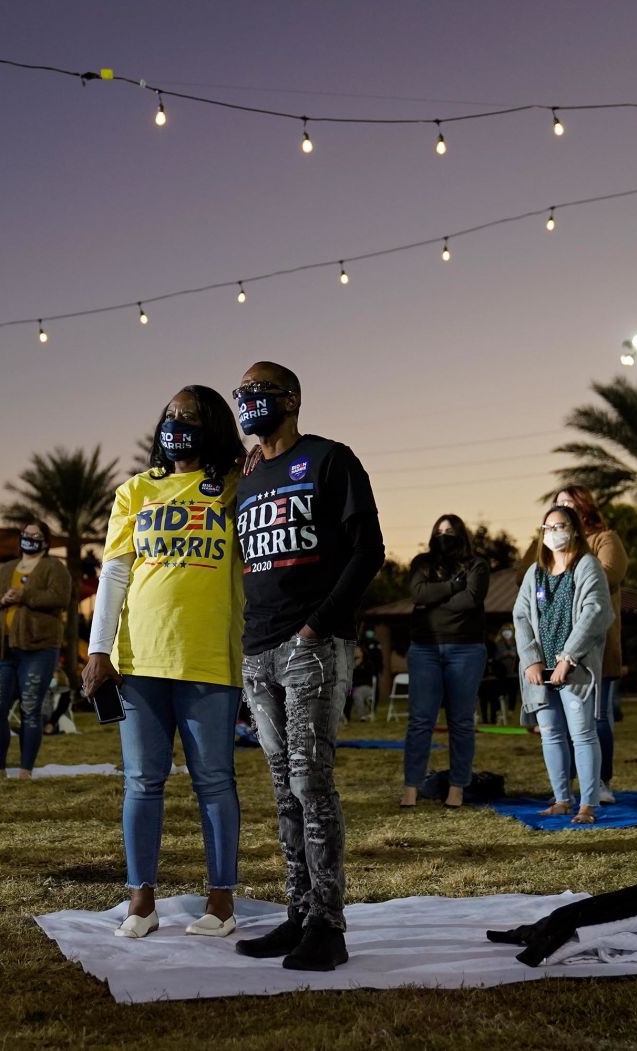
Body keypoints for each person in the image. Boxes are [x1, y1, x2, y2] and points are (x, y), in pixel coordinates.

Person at [231, 361, 385, 972]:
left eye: (257, 392)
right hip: (257, 650)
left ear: (291, 398)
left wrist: (319, 624)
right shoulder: (245, 477)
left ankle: (329, 924)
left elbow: (368, 549)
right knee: (281, 787)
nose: (247, 402)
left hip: (311, 649)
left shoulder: (330, 459)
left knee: (311, 783)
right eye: (240, 395)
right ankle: (297, 913)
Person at [84, 384, 246, 940]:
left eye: (192, 417)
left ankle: (221, 902)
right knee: (141, 782)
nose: (177, 424)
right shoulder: (134, 491)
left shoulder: (235, 486)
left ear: (216, 426)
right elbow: (115, 574)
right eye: (171, 415)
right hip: (139, 658)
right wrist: (97, 650)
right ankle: (140, 901)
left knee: (214, 781)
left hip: (209, 657)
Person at [513, 505, 614, 824]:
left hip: (576, 669)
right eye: (548, 528)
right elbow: (520, 616)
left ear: (574, 529)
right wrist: (531, 659)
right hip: (540, 670)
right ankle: (561, 799)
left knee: (582, 733)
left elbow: (595, 613)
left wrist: (568, 658)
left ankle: (588, 804)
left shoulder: (587, 566)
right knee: (550, 734)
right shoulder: (535, 573)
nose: (554, 533)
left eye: (560, 526)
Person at [400, 515, 489, 809]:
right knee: (420, 721)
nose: (444, 535)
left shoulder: (477, 565)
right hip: (424, 648)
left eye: (449, 531)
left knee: (461, 722)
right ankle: (411, 787)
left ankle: (457, 788)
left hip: (466, 649)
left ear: (461, 533)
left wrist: (433, 600)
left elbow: (471, 599)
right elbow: (417, 592)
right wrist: (452, 587)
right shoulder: (421, 563)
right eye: (439, 530)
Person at [0, 520, 72, 777]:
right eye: (26, 534)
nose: (29, 538)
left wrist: (25, 597)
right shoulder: (8, 568)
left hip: (39, 648)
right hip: (3, 649)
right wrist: (1, 599)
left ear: (45, 540)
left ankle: (25, 769)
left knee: (30, 707)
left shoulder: (54, 567)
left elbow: (60, 597)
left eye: (36, 534)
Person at [553, 485, 629, 804]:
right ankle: (568, 783)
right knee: (561, 720)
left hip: (597, 645)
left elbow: (608, 576)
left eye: (568, 504)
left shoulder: (605, 540)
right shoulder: (549, 544)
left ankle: (599, 781)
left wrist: (565, 568)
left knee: (597, 718)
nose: (563, 510)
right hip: (557, 645)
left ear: (584, 507)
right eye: (557, 506)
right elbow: (525, 576)